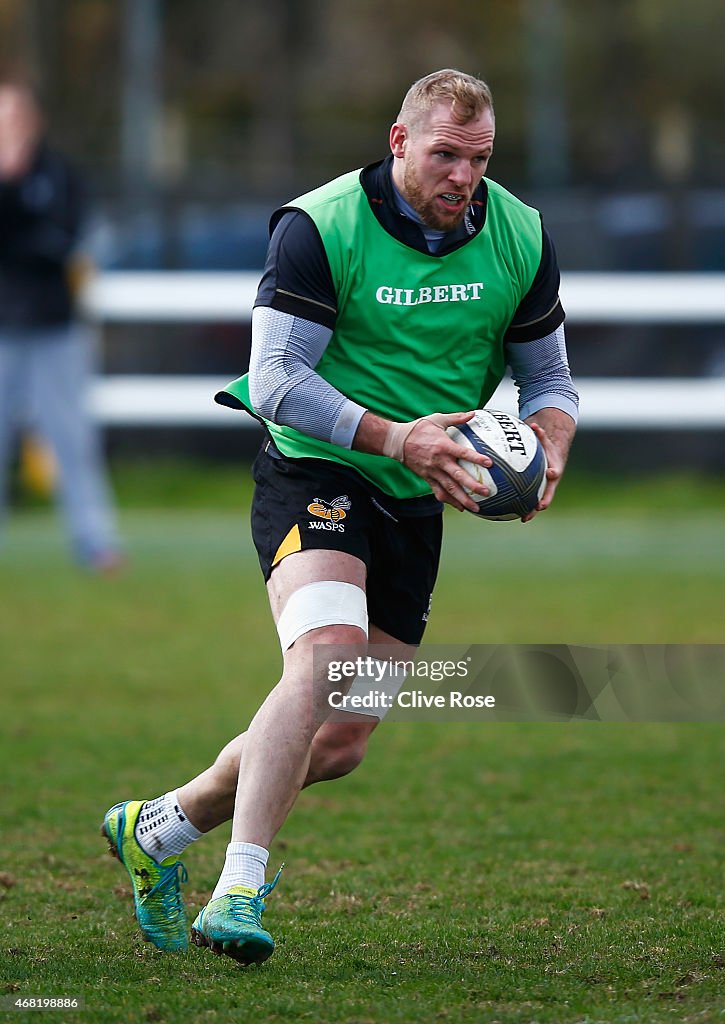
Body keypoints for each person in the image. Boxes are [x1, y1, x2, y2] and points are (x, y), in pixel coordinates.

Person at [102, 69, 578, 963]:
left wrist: (549, 448)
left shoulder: (519, 234)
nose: (462, 178)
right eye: (444, 155)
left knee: (344, 739)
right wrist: (399, 440)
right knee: (324, 660)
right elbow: (278, 380)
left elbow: (549, 381)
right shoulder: (318, 228)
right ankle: (237, 889)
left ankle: (157, 828)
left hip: (415, 496)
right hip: (317, 467)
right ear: (398, 142)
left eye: (477, 159)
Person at [0, 80, 122, 572]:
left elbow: (63, 239)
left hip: (55, 329)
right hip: (2, 329)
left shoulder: (59, 174)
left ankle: (95, 542)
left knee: (71, 438)